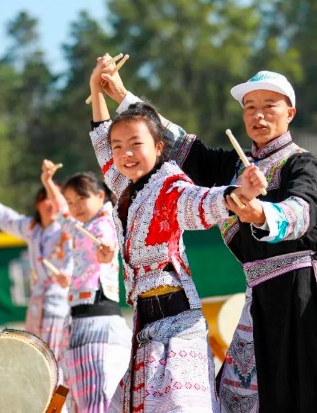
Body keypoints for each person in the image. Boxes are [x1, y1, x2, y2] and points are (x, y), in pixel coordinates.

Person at [100, 64, 317, 412]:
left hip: (304, 289)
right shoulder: (233, 170)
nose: (257, 114)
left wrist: (259, 214)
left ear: (290, 112)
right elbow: (178, 143)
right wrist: (122, 96)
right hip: (259, 295)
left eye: (269, 105)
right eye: (250, 107)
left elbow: (303, 211)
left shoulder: (300, 163)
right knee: (236, 398)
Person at [85, 56, 268, 412]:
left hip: (176, 323)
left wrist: (239, 194)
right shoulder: (124, 187)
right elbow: (101, 144)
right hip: (145, 322)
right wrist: (95, 90)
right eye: (119, 147)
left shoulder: (169, 183)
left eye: (135, 144)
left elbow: (201, 203)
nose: (125, 154)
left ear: (157, 146)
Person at [0, 171, 73, 386]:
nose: (51, 203)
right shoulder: (31, 229)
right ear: (38, 204)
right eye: (45, 198)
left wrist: (68, 275)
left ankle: (56, 406)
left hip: (58, 305)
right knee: (33, 358)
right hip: (36, 305)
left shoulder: (67, 231)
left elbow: (73, 260)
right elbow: (3, 216)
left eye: (56, 198)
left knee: (52, 360)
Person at [42, 166, 132, 413]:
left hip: (98, 316)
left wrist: (106, 255)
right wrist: (49, 183)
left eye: (81, 198)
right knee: (82, 397)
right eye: (71, 201)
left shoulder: (106, 223)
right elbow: (61, 215)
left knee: (99, 393)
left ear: (100, 196)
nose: (75, 206)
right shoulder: (82, 227)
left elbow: (108, 248)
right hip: (80, 317)